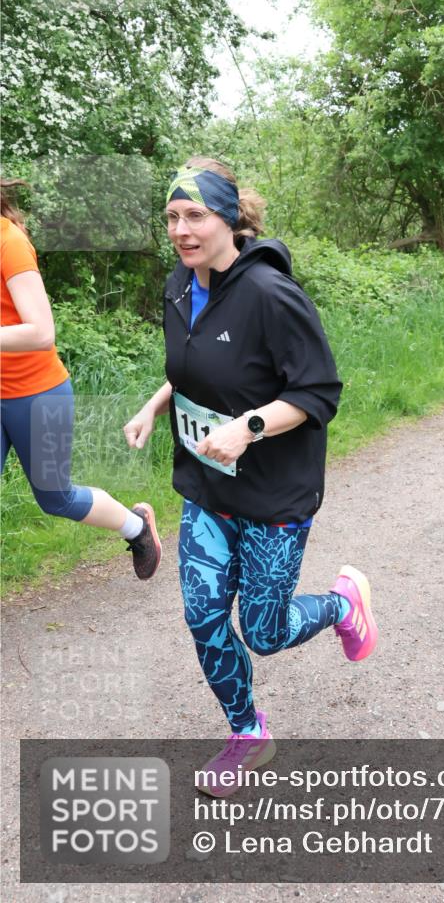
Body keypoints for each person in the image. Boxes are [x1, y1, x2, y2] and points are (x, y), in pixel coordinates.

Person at [124, 156, 378, 796]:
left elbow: (318, 392)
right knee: (204, 616)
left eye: (195, 215)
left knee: (264, 632)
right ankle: (248, 732)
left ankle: (342, 604)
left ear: (229, 219)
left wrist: (249, 427)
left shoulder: (271, 295)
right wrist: (154, 407)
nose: (181, 230)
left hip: (273, 495)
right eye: (171, 217)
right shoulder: (178, 286)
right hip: (208, 487)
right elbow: (194, 367)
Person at [0, 178, 161, 579]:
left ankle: (137, 527)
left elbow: (41, 331)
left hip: (37, 395)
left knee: (56, 498)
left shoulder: (9, 243)